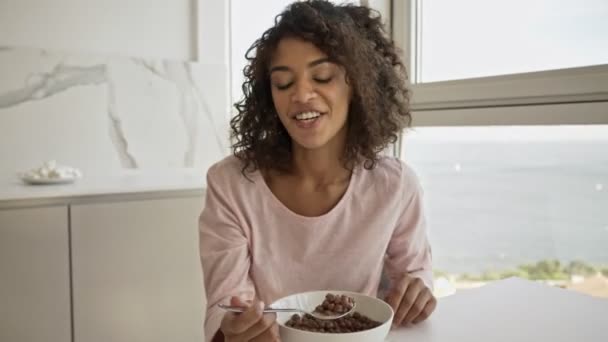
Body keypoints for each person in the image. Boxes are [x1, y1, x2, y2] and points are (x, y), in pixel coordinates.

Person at [199, 1, 435, 341]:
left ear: (357, 84)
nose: (301, 95)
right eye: (282, 83)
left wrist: (419, 291)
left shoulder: (396, 185)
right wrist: (234, 331)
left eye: (322, 76)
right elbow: (224, 308)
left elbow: (414, 275)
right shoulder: (231, 183)